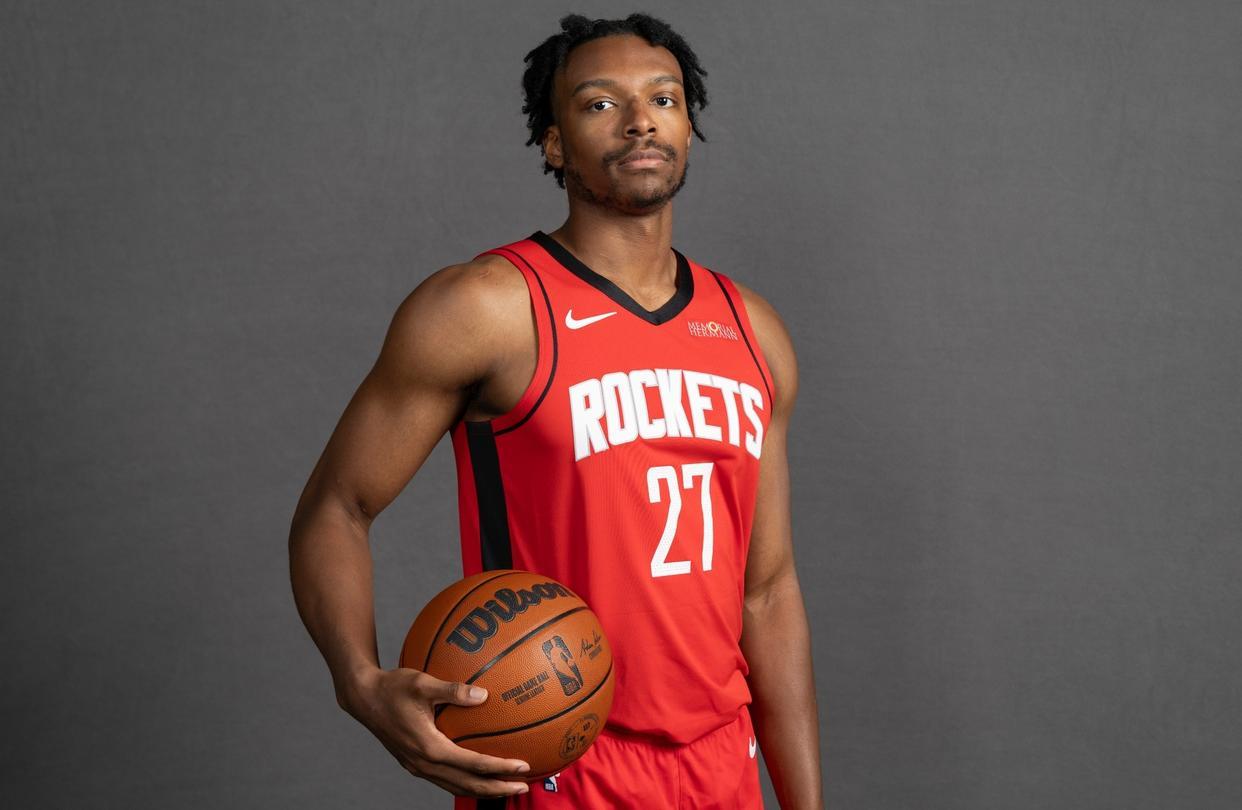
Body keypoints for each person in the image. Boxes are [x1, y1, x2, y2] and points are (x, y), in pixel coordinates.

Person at [289, 12, 822, 809]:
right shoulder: (488, 308)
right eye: (601, 103)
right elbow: (336, 508)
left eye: (664, 99)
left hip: (720, 765)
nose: (640, 120)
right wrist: (359, 683)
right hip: (556, 761)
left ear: (688, 125)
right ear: (554, 144)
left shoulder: (754, 332)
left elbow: (768, 593)